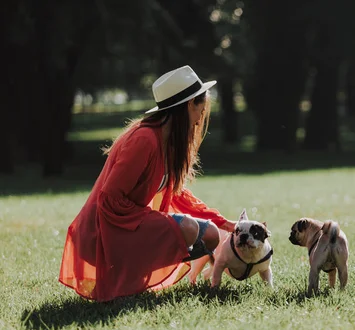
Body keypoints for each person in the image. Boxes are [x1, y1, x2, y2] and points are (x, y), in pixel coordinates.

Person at [59, 65, 237, 302]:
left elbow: (177, 194)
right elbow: (109, 198)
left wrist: (222, 222)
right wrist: (157, 223)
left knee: (211, 235)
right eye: (200, 111)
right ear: (187, 106)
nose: (199, 122)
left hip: (129, 226)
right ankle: (131, 277)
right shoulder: (144, 140)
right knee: (189, 229)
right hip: (102, 235)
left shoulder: (167, 142)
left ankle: (136, 277)